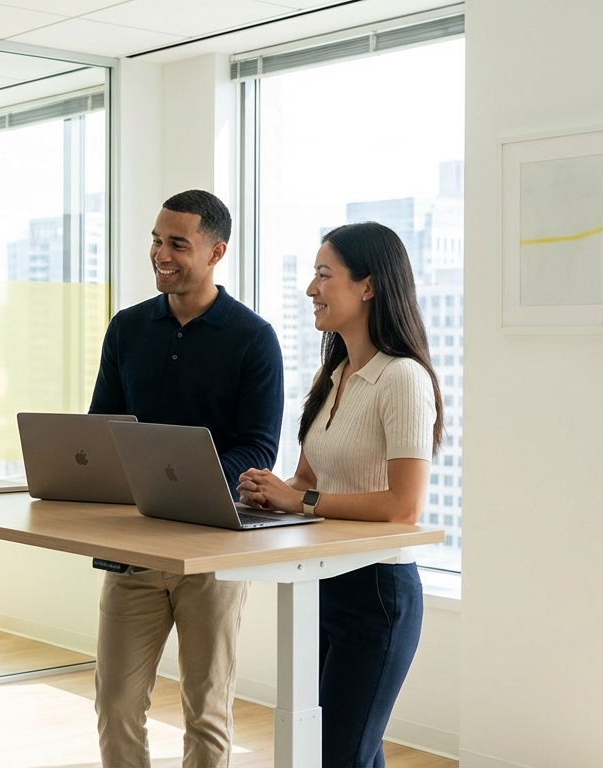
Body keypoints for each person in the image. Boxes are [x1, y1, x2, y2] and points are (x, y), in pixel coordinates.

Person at [236, 221, 442, 768]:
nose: (311, 290)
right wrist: (268, 490)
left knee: (339, 756)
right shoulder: (333, 376)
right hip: (322, 585)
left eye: (324, 276)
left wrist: (297, 502)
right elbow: (307, 480)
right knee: (340, 754)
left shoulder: (403, 379)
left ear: (368, 286)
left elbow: (404, 507)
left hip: (377, 593)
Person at [90, 190, 284, 768]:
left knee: (207, 710)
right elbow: (103, 430)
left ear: (216, 251)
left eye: (178, 243)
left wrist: (183, 478)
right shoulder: (127, 329)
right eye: (156, 239)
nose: (160, 254)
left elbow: (258, 447)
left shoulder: (254, 338)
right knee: (116, 705)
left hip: (213, 552)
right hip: (134, 547)